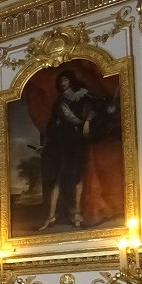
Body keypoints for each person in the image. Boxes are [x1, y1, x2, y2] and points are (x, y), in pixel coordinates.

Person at [37, 70, 99, 230]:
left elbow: (98, 105)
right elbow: (52, 124)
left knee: (77, 175)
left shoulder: (82, 95)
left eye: (65, 80)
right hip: (60, 142)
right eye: (60, 81)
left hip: (75, 140)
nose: (62, 83)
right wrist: (45, 144)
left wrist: (87, 122)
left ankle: (77, 213)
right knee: (57, 178)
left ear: (70, 80)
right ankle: (51, 216)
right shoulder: (59, 101)